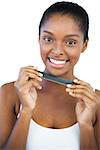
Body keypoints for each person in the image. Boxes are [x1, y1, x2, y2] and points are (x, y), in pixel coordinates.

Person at [0, 1, 100, 150]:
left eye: (70, 42)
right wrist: (26, 111)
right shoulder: (10, 93)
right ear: (39, 39)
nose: (57, 50)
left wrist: (86, 126)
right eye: (48, 39)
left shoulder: (95, 102)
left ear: (84, 45)